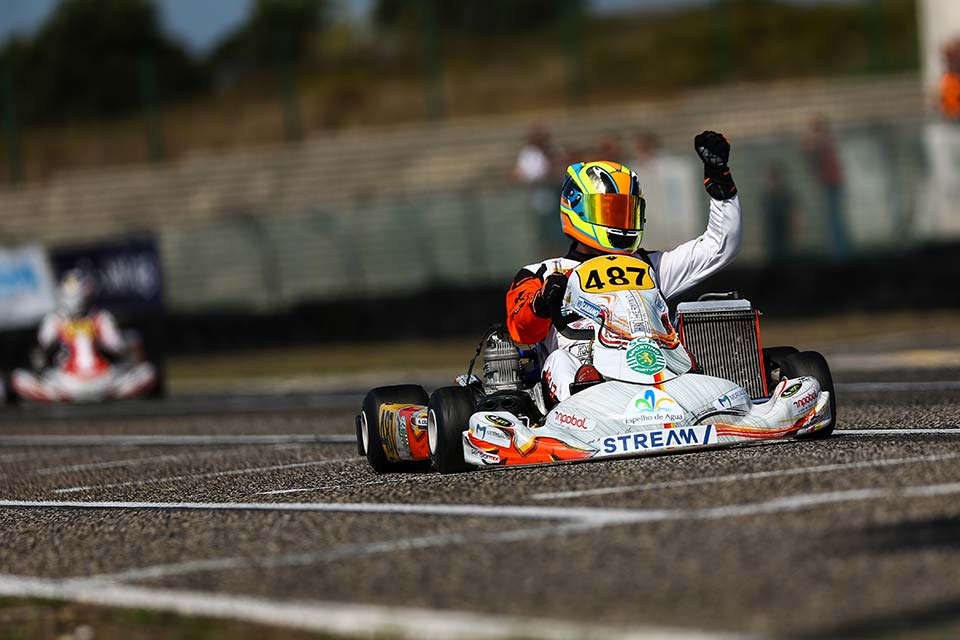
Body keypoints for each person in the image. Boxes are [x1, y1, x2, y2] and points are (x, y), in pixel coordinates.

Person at [505, 131, 741, 404]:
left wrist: (720, 179)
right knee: (560, 359)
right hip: (585, 382)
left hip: (654, 367)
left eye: (626, 212)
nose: (621, 222)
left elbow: (720, 247)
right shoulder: (544, 272)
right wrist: (542, 302)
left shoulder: (650, 265)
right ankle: (583, 412)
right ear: (578, 209)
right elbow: (523, 331)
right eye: (611, 212)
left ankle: (697, 399)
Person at [803, 116, 849, 260]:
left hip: (831, 181)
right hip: (829, 181)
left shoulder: (823, 140)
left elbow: (811, 147)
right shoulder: (826, 140)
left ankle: (839, 251)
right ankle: (838, 249)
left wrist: (810, 138)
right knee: (833, 216)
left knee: (834, 216)